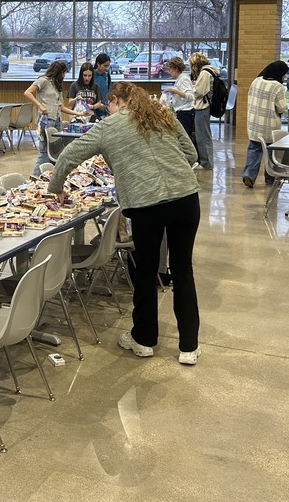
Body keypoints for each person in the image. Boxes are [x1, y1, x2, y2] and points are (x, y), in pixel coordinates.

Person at [47, 81, 202, 365]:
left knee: (145, 270)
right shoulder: (162, 114)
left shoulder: (108, 127)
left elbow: (68, 155)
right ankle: (189, 347)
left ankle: (144, 340)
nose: (108, 108)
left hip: (145, 204)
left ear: (116, 100)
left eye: (109, 104)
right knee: (183, 271)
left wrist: (56, 187)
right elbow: (191, 155)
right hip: (185, 199)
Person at [24, 59, 87, 174]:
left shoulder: (57, 86)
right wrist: (40, 105)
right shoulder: (43, 80)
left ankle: (50, 177)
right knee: (44, 152)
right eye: (64, 72)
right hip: (46, 120)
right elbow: (27, 92)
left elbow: (61, 107)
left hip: (57, 120)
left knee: (56, 152)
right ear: (59, 71)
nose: (64, 75)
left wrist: (79, 114)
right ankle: (34, 178)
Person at [241, 60, 289, 188]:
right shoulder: (277, 86)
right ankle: (270, 179)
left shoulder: (256, 81)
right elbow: (282, 108)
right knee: (271, 153)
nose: (284, 77)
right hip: (270, 126)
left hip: (253, 124)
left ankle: (249, 175)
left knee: (254, 149)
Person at [189, 52, 220, 171]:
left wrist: (192, 87)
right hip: (205, 107)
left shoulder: (204, 73)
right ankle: (206, 161)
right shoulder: (209, 71)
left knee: (203, 136)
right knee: (203, 135)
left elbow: (198, 92)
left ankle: (206, 163)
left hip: (202, 107)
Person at [163, 56, 195, 142]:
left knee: (185, 139)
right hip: (182, 111)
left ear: (176, 69)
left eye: (170, 70)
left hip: (185, 112)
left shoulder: (184, 79)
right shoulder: (180, 79)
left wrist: (174, 91)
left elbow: (190, 96)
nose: (169, 72)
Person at [91, 54, 112, 120]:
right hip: (93, 107)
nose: (106, 68)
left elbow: (108, 89)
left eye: (108, 66)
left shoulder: (106, 74)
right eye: (105, 66)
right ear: (98, 64)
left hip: (104, 106)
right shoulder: (91, 74)